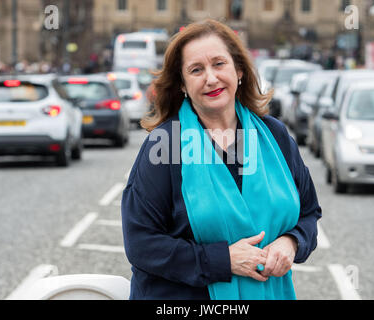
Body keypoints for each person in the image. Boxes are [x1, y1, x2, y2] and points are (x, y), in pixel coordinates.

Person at [121, 19, 322, 300]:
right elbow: (141, 244)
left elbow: (309, 212)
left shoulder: (275, 136)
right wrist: (223, 261)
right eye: (196, 70)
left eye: (219, 64)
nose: (211, 78)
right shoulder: (164, 145)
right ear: (182, 85)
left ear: (239, 70)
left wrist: (291, 242)